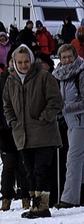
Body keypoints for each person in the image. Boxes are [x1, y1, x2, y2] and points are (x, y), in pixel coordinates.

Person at [2, 44, 64, 218]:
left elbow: (56, 101)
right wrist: (13, 122)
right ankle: (34, 204)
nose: (23, 65)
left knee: (41, 169)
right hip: (22, 135)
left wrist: (44, 117)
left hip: (44, 134)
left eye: (26, 61)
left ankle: (42, 206)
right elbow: (7, 105)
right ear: (14, 62)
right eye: (19, 62)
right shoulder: (11, 81)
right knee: (29, 171)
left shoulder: (44, 77)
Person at [51, 44, 84, 209]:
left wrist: (64, 109)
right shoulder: (62, 77)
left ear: (75, 56)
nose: (66, 60)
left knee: (73, 159)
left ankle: (69, 199)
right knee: (79, 159)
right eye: (63, 57)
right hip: (73, 123)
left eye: (69, 56)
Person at [0, 54, 30, 211]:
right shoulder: (3, 80)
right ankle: (6, 197)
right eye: (13, 61)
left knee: (23, 164)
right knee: (8, 166)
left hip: (23, 129)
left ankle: (26, 197)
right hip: (6, 130)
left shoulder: (25, 79)